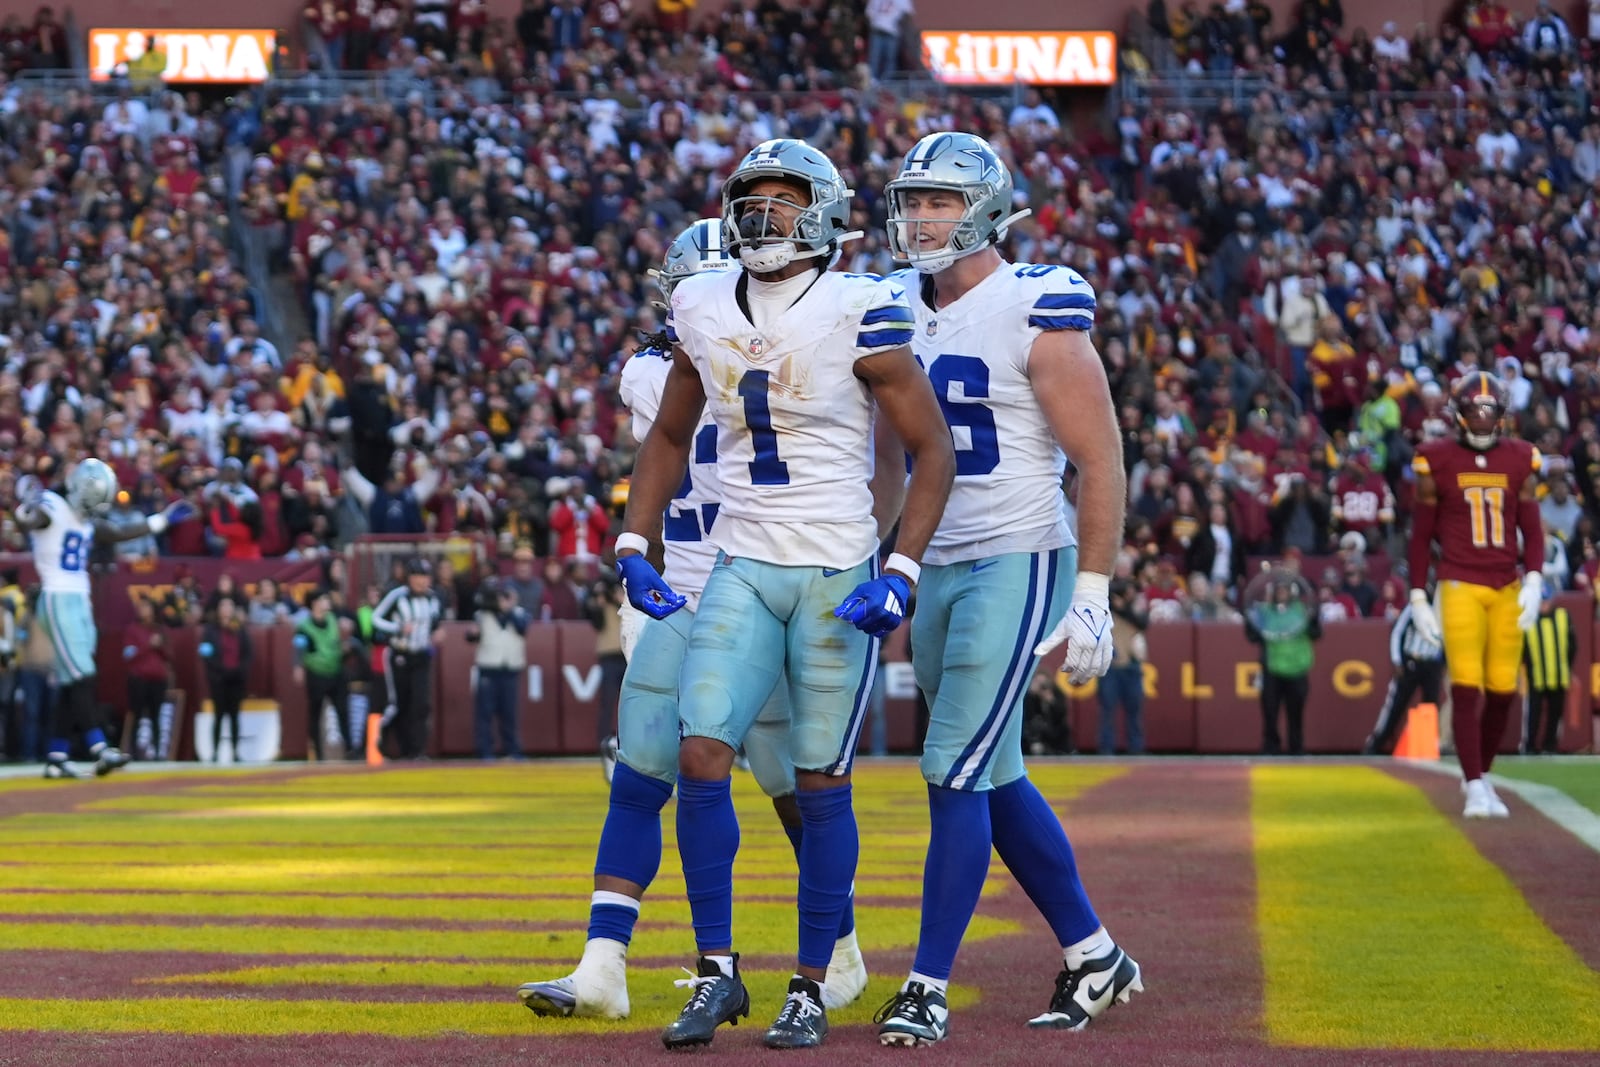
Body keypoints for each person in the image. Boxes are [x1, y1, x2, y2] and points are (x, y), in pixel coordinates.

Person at [616, 144, 957, 1051]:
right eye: (751, 201)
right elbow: (668, 433)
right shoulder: (700, 301)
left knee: (818, 782)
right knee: (699, 754)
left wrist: (901, 569)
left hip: (835, 572)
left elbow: (934, 451)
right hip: (741, 559)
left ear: (822, 211)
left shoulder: (861, 305)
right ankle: (718, 970)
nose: (763, 216)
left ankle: (809, 982)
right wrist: (632, 540)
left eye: (782, 200)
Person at [518, 218, 876, 1022]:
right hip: (685, 590)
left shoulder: (660, 367)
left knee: (798, 787)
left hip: (765, 575)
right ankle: (602, 963)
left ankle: (839, 951)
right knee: (646, 774)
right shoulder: (670, 367)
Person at [867, 131, 1139, 1047]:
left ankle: (926, 984)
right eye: (914, 201)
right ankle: (1095, 954)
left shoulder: (1035, 304)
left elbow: (1100, 459)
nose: (921, 218)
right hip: (933, 558)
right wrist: (881, 557)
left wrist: (1093, 589)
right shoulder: (893, 303)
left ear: (986, 206)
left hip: (1019, 555)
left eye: (940, 201)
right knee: (995, 768)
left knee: (952, 765)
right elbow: (885, 457)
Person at [1406, 373, 1544, 818]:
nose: (1482, 420)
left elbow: (1531, 524)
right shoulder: (1436, 458)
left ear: (1502, 415)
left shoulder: (1521, 458)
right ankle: (1474, 783)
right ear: (1459, 413)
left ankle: (1481, 777)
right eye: (1474, 411)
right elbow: (1421, 536)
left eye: (1490, 411)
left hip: (1506, 583)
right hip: (1460, 581)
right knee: (1466, 687)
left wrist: (1537, 577)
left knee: (1503, 690)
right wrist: (1417, 595)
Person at [12, 459, 193, 778]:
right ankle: (99, 747)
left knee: (73, 680)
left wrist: (159, 522)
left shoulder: (84, 517)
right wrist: (23, 513)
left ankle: (57, 756)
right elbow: (32, 519)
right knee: (83, 675)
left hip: (79, 599)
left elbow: (117, 532)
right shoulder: (51, 505)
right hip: (57, 596)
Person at [371, 558, 445, 760]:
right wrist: (397, 628)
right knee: (398, 704)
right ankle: (384, 740)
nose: (422, 581)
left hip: (421, 654)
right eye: (417, 576)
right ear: (409, 578)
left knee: (421, 703)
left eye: (425, 577)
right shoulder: (397, 596)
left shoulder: (434, 598)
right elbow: (375, 618)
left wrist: (437, 633)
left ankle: (417, 751)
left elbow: (436, 621)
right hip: (399, 655)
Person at [1243, 572, 1323, 755]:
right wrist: (1249, 620)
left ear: (1292, 592)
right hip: (1272, 667)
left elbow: (1316, 634)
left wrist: (1314, 618)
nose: (1282, 593)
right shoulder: (1263, 612)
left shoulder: (1302, 610)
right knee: (1270, 712)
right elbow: (1252, 636)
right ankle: (1271, 746)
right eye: (1278, 590)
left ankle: (1297, 747)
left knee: (1296, 712)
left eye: (1285, 590)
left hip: (1297, 667)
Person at [1362, 597, 1446, 756]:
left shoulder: (1446, 607)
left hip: (1432, 663)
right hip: (1412, 660)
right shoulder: (1416, 606)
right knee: (1396, 705)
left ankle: (1426, 747)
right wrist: (1397, 660)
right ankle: (1376, 744)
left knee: (1431, 706)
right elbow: (1397, 631)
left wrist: (1444, 662)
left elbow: (1447, 636)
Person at [467, 579, 527, 760]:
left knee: (509, 714)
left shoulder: (519, 613)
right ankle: (485, 750)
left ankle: (512, 749)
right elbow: (470, 636)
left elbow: (522, 627)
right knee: (485, 713)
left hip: (510, 669)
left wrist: (507, 609)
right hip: (488, 668)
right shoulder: (482, 614)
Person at [294, 591, 358, 760]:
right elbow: (299, 647)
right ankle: (318, 753)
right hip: (316, 673)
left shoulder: (332, 619)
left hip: (336, 671)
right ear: (314, 603)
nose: (326, 602)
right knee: (316, 713)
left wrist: (344, 647)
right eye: (323, 599)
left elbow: (340, 639)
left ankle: (351, 749)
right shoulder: (304, 625)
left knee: (343, 711)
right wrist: (298, 666)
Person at [1521, 581, 1574, 755]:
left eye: (1546, 601)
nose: (1544, 605)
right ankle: (1530, 746)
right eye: (1541, 602)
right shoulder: (1529, 619)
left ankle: (1550, 745)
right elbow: (1523, 650)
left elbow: (1572, 645)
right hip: (1536, 675)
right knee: (1533, 714)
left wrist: (1568, 666)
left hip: (1559, 675)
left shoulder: (1562, 616)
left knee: (1555, 713)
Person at [1097, 578, 1149, 756]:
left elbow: (1142, 622)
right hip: (1110, 666)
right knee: (1107, 711)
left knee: (1134, 710)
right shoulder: (1105, 608)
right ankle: (1106, 748)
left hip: (1131, 665)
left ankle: (1136, 748)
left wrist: (1122, 607)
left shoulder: (1135, 608)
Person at [199, 596, 252, 762]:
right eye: (224, 605)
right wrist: (219, 671)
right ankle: (214, 752)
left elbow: (248, 653)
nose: (227, 609)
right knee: (218, 715)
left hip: (236, 679)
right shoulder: (210, 631)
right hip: (218, 679)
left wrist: (240, 670)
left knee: (235, 716)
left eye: (230, 605)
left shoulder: (240, 630)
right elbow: (206, 654)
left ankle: (236, 752)